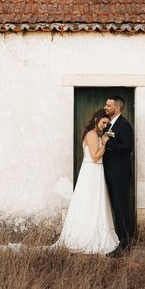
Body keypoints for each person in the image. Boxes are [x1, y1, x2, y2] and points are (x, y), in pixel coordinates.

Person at [53, 109, 119, 254]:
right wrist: (105, 143)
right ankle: (85, 237)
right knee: (90, 201)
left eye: (107, 123)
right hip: (92, 171)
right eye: (103, 122)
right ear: (96, 119)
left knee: (94, 202)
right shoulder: (92, 134)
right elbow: (95, 156)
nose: (105, 125)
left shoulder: (96, 134)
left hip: (95, 171)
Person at [103, 95, 134, 255]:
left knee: (121, 209)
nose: (105, 107)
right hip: (110, 174)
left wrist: (108, 143)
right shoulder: (109, 125)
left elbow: (127, 147)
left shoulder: (124, 125)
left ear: (117, 108)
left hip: (120, 174)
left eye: (108, 105)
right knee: (116, 208)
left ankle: (125, 245)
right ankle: (118, 241)